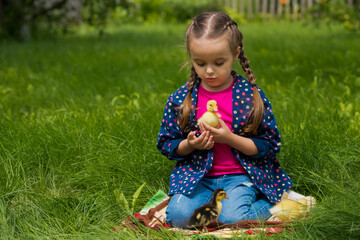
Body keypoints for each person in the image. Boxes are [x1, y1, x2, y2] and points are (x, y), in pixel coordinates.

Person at [156, 11, 293, 228]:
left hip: (240, 177)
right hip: (198, 177)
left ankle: (276, 202)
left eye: (219, 62)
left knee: (234, 219)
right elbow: (166, 144)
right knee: (180, 218)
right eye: (200, 63)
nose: (209, 71)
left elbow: (270, 144)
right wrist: (190, 144)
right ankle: (213, 209)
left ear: (235, 54)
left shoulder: (250, 97)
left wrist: (230, 139)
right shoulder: (183, 99)